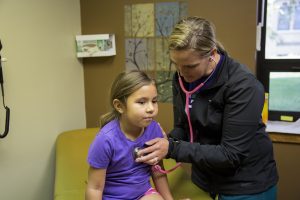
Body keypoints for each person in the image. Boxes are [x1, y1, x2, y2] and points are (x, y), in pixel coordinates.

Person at [136, 16, 279, 200]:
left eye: (190, 66)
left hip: (246, 185)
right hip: (205, 181)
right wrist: (165, 140)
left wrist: (171, 148)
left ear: (211, 54)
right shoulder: (182, 77)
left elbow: (231, 154)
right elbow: (184, 127)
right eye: (176, 64)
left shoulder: (243, 86)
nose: (181, 72)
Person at [85, 70, 173, 200]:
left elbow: (157, 172)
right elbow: (95, 187)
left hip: (143, 194)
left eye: (154, 101)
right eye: (142, 102)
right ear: (119, 106)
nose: (151, 108)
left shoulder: (154, 130)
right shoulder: (105, 140)